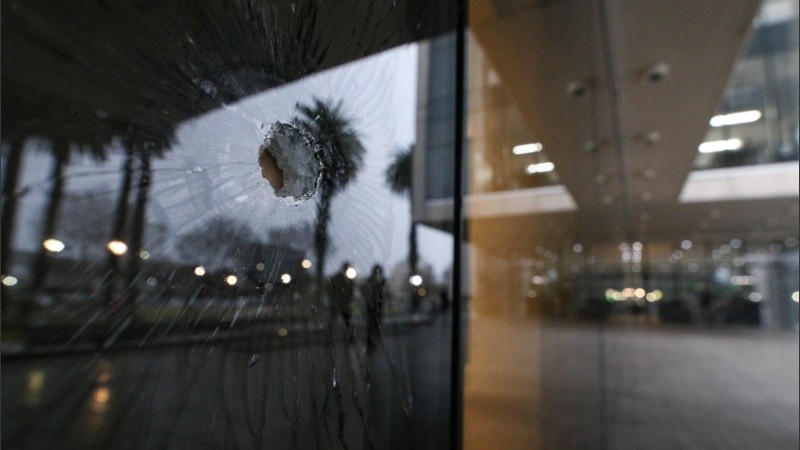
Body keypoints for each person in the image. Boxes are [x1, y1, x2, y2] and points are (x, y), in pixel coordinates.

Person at [362, 265, 385, 352]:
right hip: (371, 306)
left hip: (377, 305)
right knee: (371, 324)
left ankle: (372, 339)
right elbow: (366, 291)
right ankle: (370, 341)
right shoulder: (371, 281)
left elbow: (382, 293)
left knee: (375, 322)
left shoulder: (380, 281)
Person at [330, 262, 356, 339]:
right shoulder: (340, 278)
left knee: (346, 321)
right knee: (345, 321)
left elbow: (351, 290)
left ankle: (350, 337)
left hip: (342, 303)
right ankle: (350, 337)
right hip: (340, 303)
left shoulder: (341, 278)